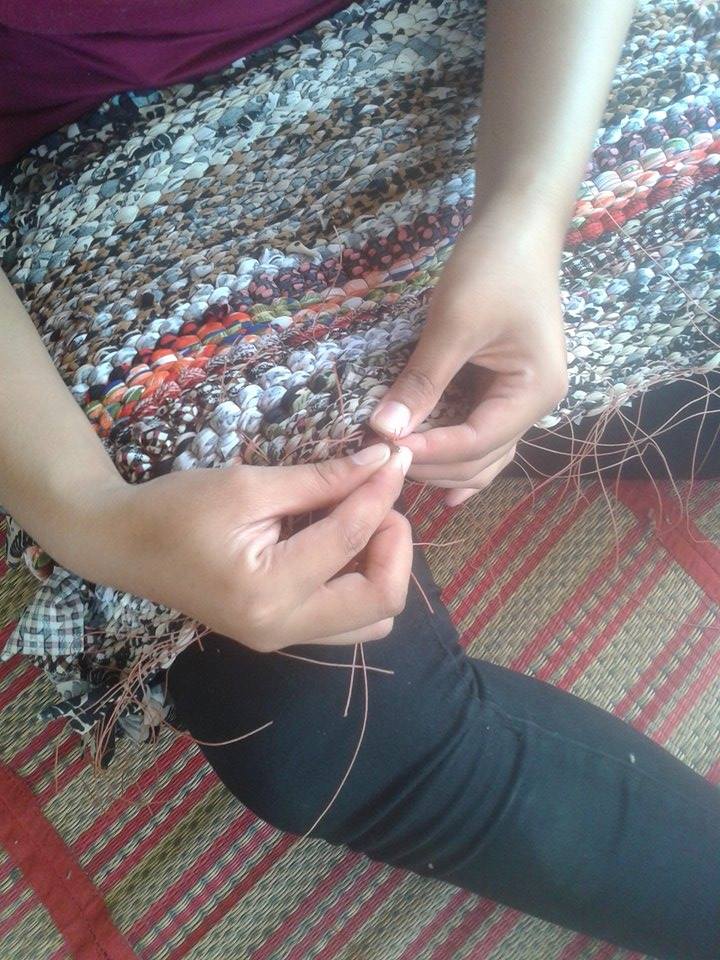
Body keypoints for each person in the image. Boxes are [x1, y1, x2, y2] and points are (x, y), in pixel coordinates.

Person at [0, 2, 718, 958]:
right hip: (75, 179)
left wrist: (527, 211)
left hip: (500, 58)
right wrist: (87, 512)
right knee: (325, 732)